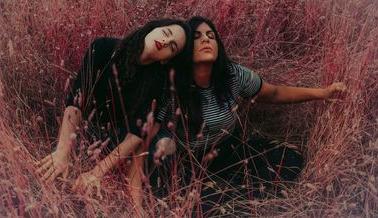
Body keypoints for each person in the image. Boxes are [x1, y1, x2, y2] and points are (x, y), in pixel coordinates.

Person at [149, 16, 346, 215]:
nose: (206, 40)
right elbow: (152, 131)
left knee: (289, 159)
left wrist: (322, 93)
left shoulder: (232, 75)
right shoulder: (172, 85)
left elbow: (274, 93)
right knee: (196, 205)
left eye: (211, 36)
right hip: (188, 163)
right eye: (197, 37)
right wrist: (162, 142)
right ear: (184, 48)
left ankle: (227, 195)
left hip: (227, 151)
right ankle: (217, 198)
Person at [35, 18, 191, 213]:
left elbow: (135, 136)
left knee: (156, 157)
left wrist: (96, 173)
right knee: (57, 169)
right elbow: (76, 102)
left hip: (124, 140)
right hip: (93, 131)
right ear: (153, 28)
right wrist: (62, 152)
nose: (166, 42)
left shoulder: (160, 83)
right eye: (166, 33)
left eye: (172, 46)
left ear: (166, 58)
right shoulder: (103, 48)